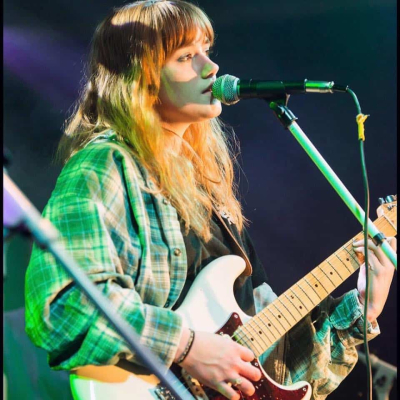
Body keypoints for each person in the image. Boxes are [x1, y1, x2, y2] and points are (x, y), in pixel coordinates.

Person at [24, 1, 396, 399]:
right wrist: (186, 346)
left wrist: (361, 308)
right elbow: (61, 306)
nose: (211, 66)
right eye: (186, 56)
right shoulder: (105, 166)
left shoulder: (208, 191)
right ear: (139, 78)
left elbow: (278, 368)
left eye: (206, 50)